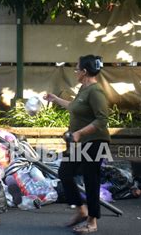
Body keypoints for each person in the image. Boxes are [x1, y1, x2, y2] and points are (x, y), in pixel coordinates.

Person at [44, 55, 110, 234]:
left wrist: (80, 133)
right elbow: (75, 107)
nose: (75, 71)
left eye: (77, 68)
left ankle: (92, 222)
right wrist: (55, 99)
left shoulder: (96, 91)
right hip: (79, 143)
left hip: (94, 142)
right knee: (65, 173)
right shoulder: (83, 89)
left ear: (84, 71)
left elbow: (102, 119)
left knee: (91, 180)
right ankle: (81, 210)